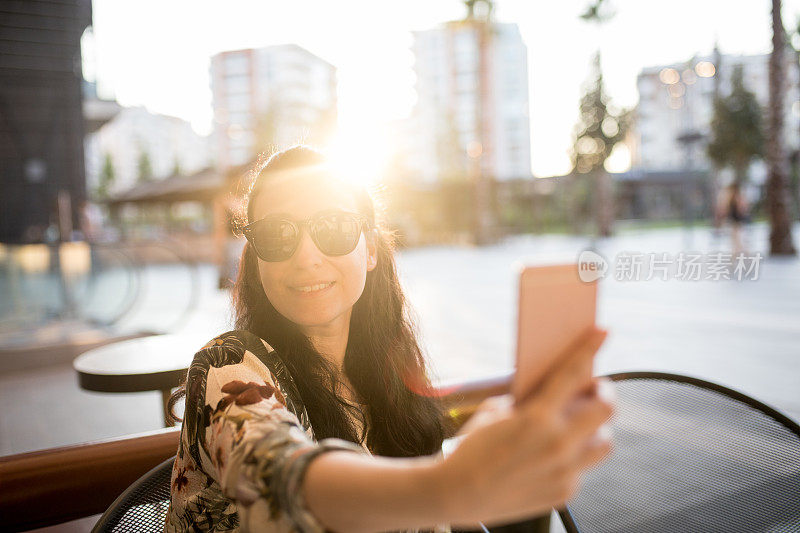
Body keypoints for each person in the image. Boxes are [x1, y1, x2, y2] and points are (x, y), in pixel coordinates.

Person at [164, 145, 614, 533]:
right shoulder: (228, 368)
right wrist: (454, 486)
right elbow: (276, 473)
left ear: (371, 249)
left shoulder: (389, 373)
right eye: (277, 234)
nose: (306, 256)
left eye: (334, 228)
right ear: (257, 257)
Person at [715, 182, 750, 256]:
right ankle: (739, 251)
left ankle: (740, 251)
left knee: (736, 235)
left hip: (736, 217)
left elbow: (741, 206)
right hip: (734, 217)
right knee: (736, 235)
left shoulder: (733, 196)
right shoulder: (731, 196)